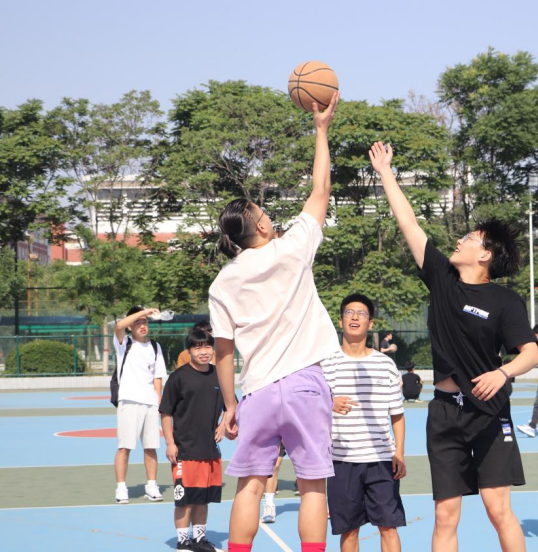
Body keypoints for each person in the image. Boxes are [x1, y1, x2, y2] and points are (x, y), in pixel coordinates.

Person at [369, 141, 538, 552]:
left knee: (498, 509)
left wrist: (502, 373)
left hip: (489, 412)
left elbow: (531, 354)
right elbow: (409, 224)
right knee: (446, 515)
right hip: (445, 414)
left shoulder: (505, 301)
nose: (460, 241)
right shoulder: (442, 278)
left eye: (469, 238)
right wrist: (386, 173)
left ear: (486, 255)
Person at [209, 91, 340, 552]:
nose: (270, 218)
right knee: (312, 486)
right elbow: (320, 191)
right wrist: (321, 130)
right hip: (305, 383)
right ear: (261, 227)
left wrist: (230, 406)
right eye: (265, 214)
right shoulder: (292, 249)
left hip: (259, 390)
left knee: (249, 485)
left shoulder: (223, 281)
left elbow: (223, 353)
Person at [323, 293, 407, 552]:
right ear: (341, 321)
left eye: (361, 314)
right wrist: (329, 403)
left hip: (381, 460)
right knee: (349, 530)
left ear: (370, 323)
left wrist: (399, 452)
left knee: (389, 527)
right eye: (349, 312)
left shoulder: (386, 365)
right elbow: (309, 408)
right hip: (341, 460)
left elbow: (397, 414)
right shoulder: (325, 364)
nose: (355, 317)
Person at [160, 329, 225, 552]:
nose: (203, 351)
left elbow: (231, 406)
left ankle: (199, 540)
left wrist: (223, 425)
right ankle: (183, 543)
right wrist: (170, 443)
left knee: (202, 498)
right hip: (185, 450)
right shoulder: (178, 377)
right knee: (185, 499)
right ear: (189, 351)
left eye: (207, 346)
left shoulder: (219, 375)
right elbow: (166, 412)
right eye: (197, 347)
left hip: (210, 450)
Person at [113, 306, 167, 504]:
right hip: (129, 401)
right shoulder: (124, 343)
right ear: (131, 326)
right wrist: (143, 312)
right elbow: (119, 325)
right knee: (125, 447)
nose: (143, 325)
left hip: (150, 402)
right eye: (138, 323)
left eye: (145, 322)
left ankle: (151, 486)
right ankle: (121, 487)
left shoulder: (155, 347)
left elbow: (158, 376)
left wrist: (158, 399)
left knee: (151, 446)